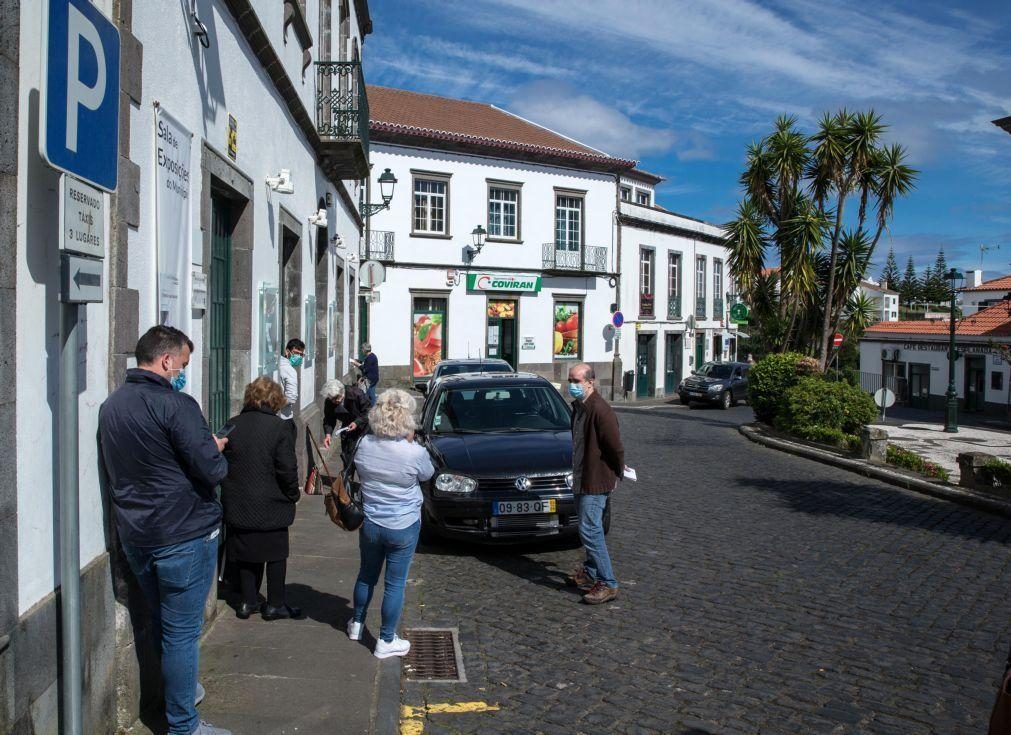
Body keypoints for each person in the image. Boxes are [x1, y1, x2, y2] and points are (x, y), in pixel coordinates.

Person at [98, 325, 231, 735]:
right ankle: (184, 724)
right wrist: (215, 448)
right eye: (183, 366)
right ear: (166, 360)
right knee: (181, 633)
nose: (182, 374)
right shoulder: (177, 406)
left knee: (163, 623)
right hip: (183, 534)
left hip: (137, 534)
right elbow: (212, 469)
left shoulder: (112, 406)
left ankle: (180, 693)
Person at [347, 389, 435, 658]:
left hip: (372, 521)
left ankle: (357, 624)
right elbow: (428, 474)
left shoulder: (364, 445)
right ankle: (386, 639)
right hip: (403, 523)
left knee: (366, 575)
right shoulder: (413, 453)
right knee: (394, 584)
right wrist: (410, 443)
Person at [220, 377, 302, 621]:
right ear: (275, 400)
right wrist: (292, 493)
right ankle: (275, 603)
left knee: (246, 552)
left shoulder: (232, 425)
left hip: (240, 501)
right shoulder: (279, 428)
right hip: (271, 503)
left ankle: (248, 601)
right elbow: (287, 467)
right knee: (276, 553)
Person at [565, 363, 625, 605]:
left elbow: (615, 446)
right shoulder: (579, 408)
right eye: (570, 380)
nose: (572, 385)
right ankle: (590, 572)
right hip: (581, 476)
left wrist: (616, 473)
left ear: (590, 382)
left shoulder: (601, 410)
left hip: (595, 479)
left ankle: (608, 583)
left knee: (590, 530)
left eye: (576, 381)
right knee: (588, 526)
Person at [321, 376, 371, 469]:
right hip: (347, 428)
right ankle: (347, 478)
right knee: (347, 456)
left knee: (362, 457)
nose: (335, 401)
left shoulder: (356, 394)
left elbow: (369, 411)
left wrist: (357, 422)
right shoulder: (330, 401)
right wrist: (328, 434)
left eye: (337, 398)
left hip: (363, 427)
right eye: (332, 399)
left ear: (342, 392)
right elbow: (329, 419)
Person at [278, 338, 306, 424]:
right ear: (287, 351)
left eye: (301, 354)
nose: (299, 356)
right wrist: (276, 406)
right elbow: (291, 397)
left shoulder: (277, 364)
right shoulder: (290, 370)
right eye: (296, 353)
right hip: (284, 417)